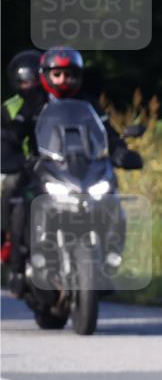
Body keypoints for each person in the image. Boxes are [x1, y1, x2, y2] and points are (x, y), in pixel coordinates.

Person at [2, 46, 141, 296]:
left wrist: (121, 152)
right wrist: (9, 150)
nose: (63, 80)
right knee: (21, 201)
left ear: (78, 76)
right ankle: (18, 267)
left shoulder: (89, 104)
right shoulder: (34, 102)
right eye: (57, 74)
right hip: (44, 167)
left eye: (70, 74)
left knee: (112, 202)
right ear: (46, 75)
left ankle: (107, 263)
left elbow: (108, 134)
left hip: (84, 169)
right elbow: (15, 132)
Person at [2, 50, 42, 265]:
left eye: (34, 80)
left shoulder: (52, 102)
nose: (30, 86)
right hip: (20, 164)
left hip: (50, 161)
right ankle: (6, 236)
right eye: (24, 82)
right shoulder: (10, 107)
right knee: (9, 186)